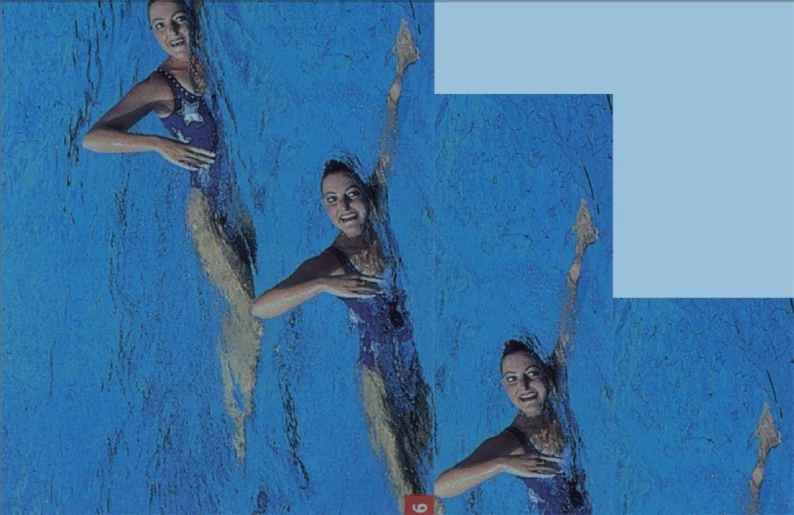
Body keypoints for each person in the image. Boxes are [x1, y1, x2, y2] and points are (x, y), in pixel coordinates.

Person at [252, 20, 432, 504]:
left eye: (352, 195)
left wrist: (400, 69)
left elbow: (387, 139)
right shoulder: (332, 261)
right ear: (325, 210)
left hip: (411, 364)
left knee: (423, 455)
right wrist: (323, 286)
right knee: (402, 472)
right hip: (374, 373)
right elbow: (261, 308)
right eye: (333, 201)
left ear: (368, 196)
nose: (345, 206)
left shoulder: (382, 220)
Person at [82, 0, 261, 461]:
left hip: (240, 209)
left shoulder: (218, 56)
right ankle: (244, 428)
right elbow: (94, 136)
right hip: (206, 214)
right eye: (158, 26)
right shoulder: (161, 86)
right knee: (249, 311)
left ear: (195, 16)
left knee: (236, 307)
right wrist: (157, 143)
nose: (171, 31)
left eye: (178, 19)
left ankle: (231, 402)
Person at [435, 200, 598, 514]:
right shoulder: (516, 440)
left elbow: (567, 323)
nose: (523, 386)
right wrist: (503, 464)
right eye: (512, 380)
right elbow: (443, 485)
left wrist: (579, 254)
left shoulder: (556, 389)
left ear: (545, 373)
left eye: (530, 374)